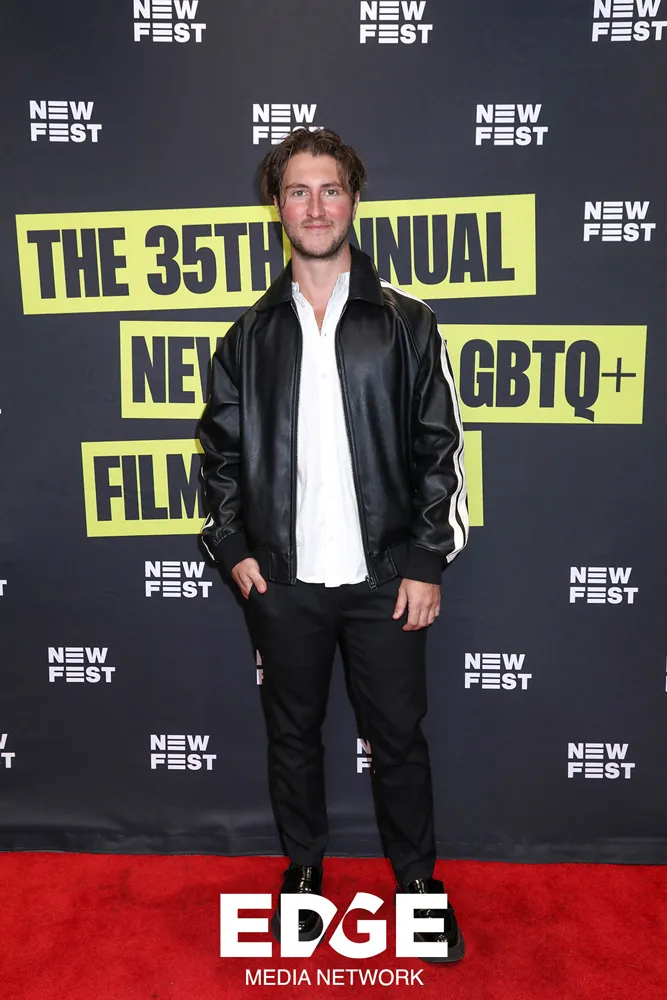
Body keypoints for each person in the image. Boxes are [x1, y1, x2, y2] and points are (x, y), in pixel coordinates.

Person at [198, 128, 468, 963]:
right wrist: (234, 549)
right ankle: (305, 873)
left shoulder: (406, 323)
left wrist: (425, 560)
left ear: (352, 200)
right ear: (276, 207)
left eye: (329, 190)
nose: (314, 207)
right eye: (297, 191)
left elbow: (439, 450)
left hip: (385, 579)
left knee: (399, 741)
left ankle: (417, 885)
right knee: (292, 737)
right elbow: (219, 455)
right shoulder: (247, 335)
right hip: (282, 584)